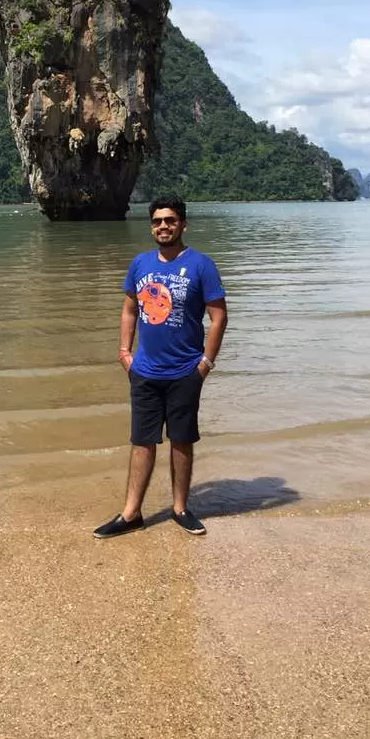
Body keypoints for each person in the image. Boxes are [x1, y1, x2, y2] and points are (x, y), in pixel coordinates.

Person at [93, 194, 227, 539]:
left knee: (181, 440)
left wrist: (205, 363)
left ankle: (180, 509)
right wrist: (125, 353)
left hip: (185, 371)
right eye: (157, 221)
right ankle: (131, 513)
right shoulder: (140, 264)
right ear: (151, 227)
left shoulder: (201, 265)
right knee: (142, 441)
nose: (163, 226)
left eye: (170, 220)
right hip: (144, 372)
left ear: (183, 224)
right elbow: (129, 309)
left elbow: (218, 316)